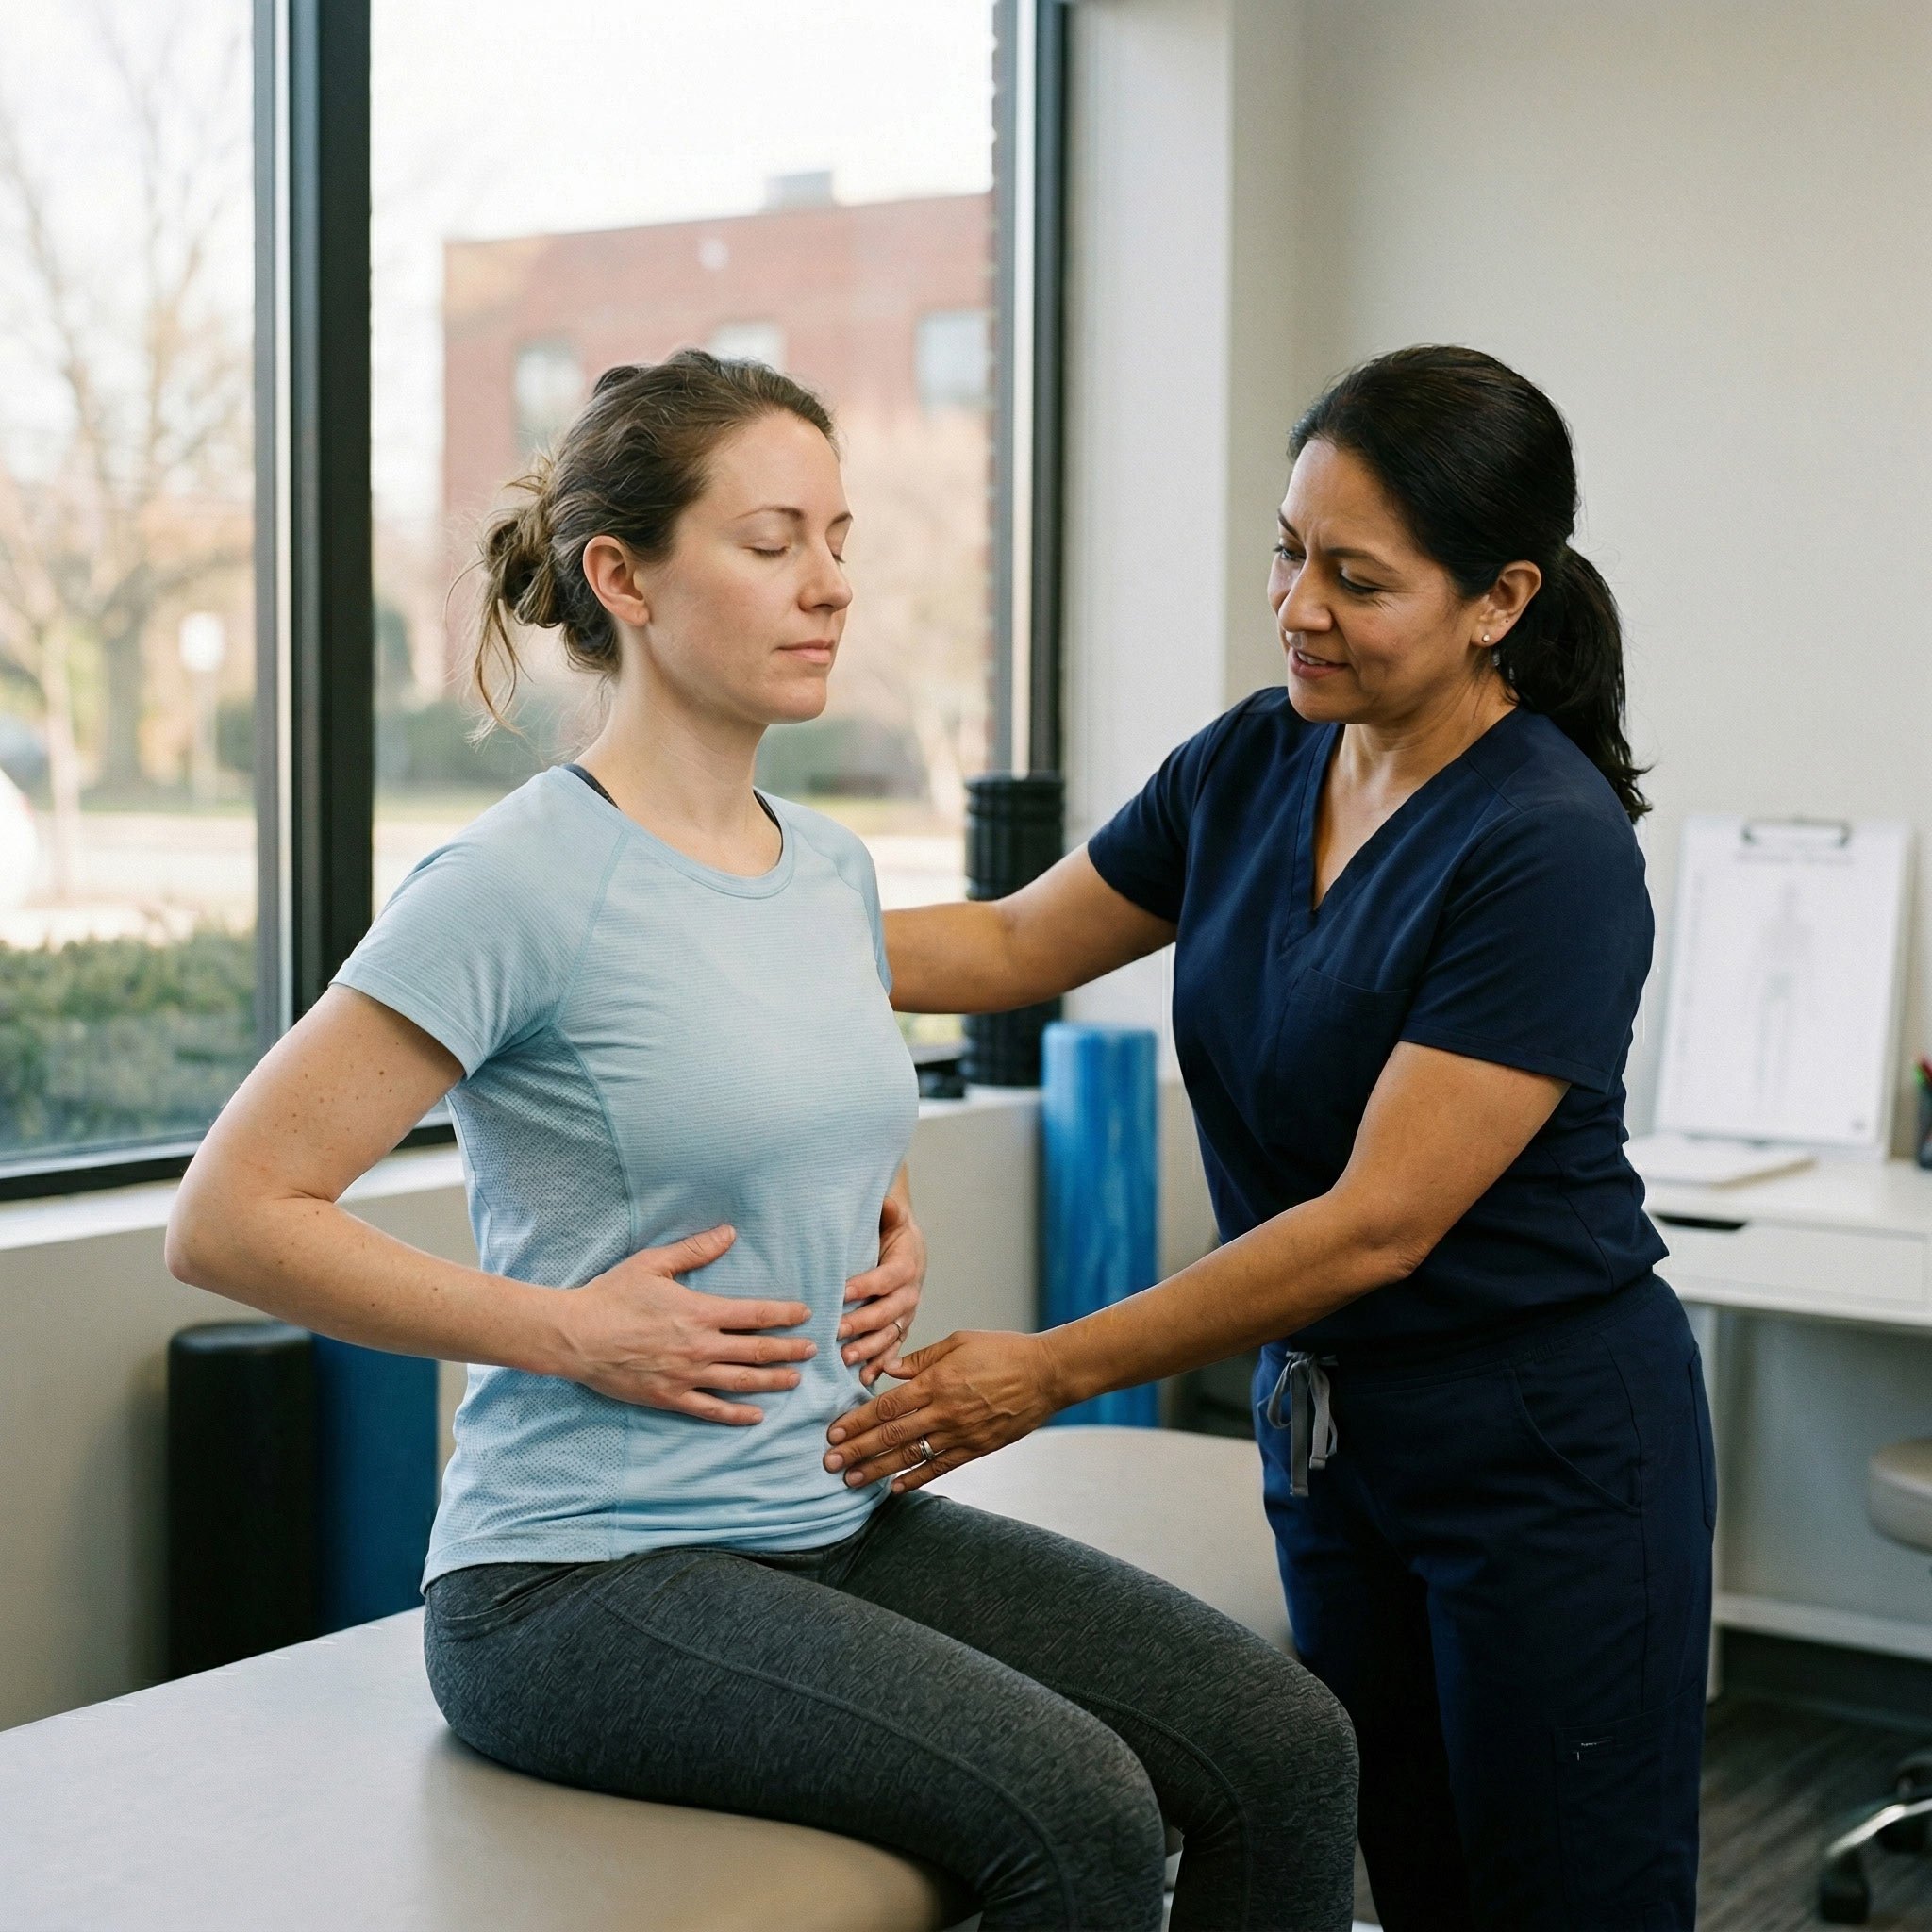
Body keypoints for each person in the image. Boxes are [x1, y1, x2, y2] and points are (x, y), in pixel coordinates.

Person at [165, 351, 1358, 1932]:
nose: (831, 586)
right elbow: (232, 1212)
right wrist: (572, 1331)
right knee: (1075, 1811)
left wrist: (892, 1223)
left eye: (841, 539)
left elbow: (811, 1107)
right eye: (772, 540)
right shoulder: (515, 885)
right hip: (580, 1579)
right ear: (624, 577)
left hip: (827, 1516)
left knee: (1286, 1747)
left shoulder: (832, 872)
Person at [831, 345, 1714, 1932]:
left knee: (1564, 1899)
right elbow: (1014, 945)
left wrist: (1046, 1367)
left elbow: (1379, 1222)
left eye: (1356, 578)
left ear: (1498, 600)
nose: (1297, 603)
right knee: (1418, 1878)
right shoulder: (1255, 757)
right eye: (1288, 550)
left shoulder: (1547, 846)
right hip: (1330, 1436)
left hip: (1546, 1446)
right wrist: (718, 917)